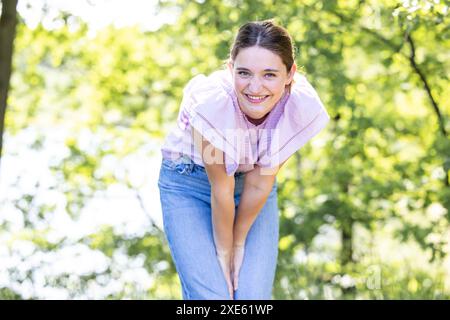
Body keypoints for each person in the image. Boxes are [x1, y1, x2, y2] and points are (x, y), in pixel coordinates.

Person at [158, 19, 330, 300]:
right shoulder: (211, 105)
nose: (255, 87)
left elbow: (260, 184)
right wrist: (225, 254)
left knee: (251, 297)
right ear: (230, 70)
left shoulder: (297, 105)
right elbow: (221, 190)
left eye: (270, 75)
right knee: (215, 297)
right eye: (244, 73)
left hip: (252, 185)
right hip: (188, 183)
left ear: (290, 74)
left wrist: (239, 244)